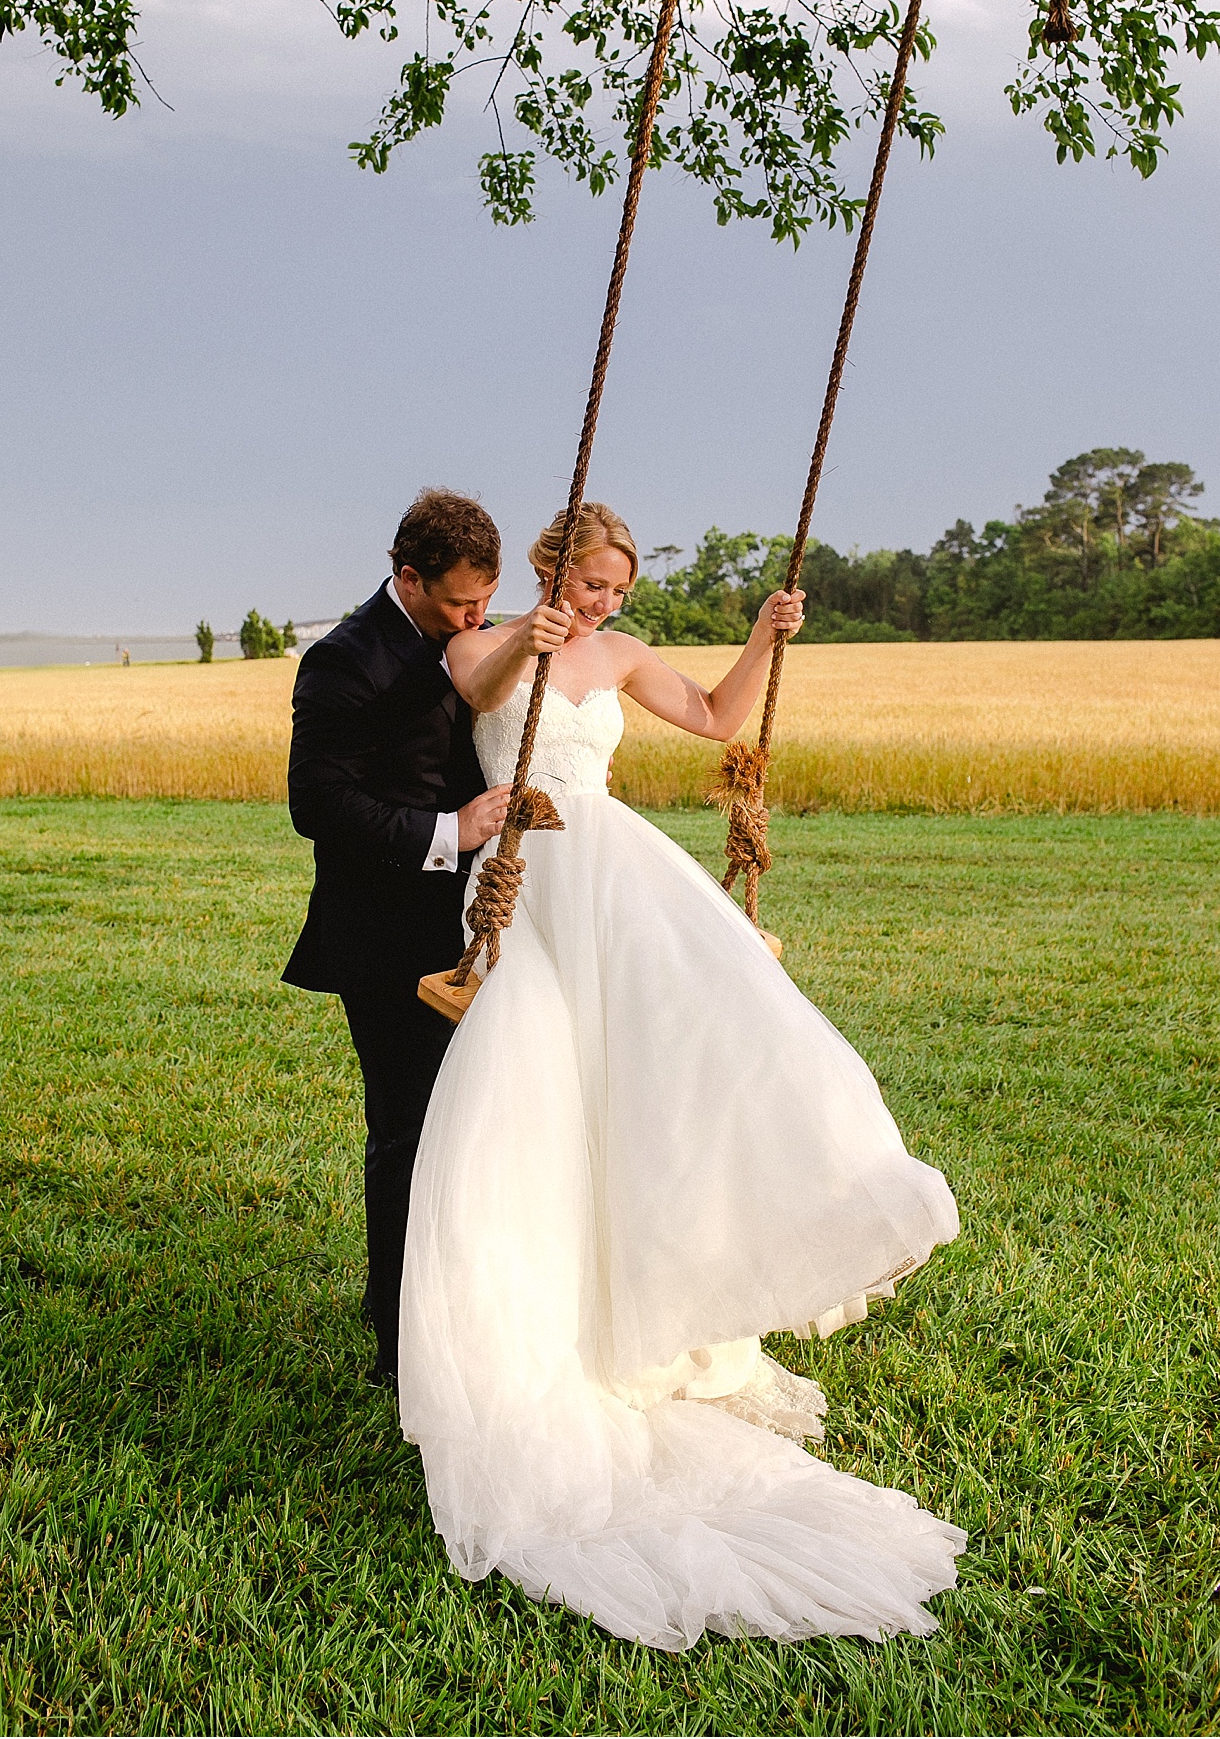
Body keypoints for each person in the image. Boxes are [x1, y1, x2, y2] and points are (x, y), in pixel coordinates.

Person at [398, 501, 965, 1649]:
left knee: (677, 1071)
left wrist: (763, 636)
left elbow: (712, 718)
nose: (607, 607)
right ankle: (540, 1324)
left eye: (616, 591)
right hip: (531, 880)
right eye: (593, 586)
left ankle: (676, 1285)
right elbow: (469, 693)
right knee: (534, 1101)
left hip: (618, 874)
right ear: (554, 571)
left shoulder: (613, 653)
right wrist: (535, 632)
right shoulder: (481, 643)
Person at [282, 489, 513, 1381]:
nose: (475, 620)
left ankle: (462, 1307)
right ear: (408, 577)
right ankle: (399, 1343)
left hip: (484, 925)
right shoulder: (342, 661)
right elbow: (319, 805)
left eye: (486, 603)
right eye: (461, 604)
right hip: (385, 936)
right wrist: (450, 834)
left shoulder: (479, 636)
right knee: (409, 1133)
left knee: (484, 1125)